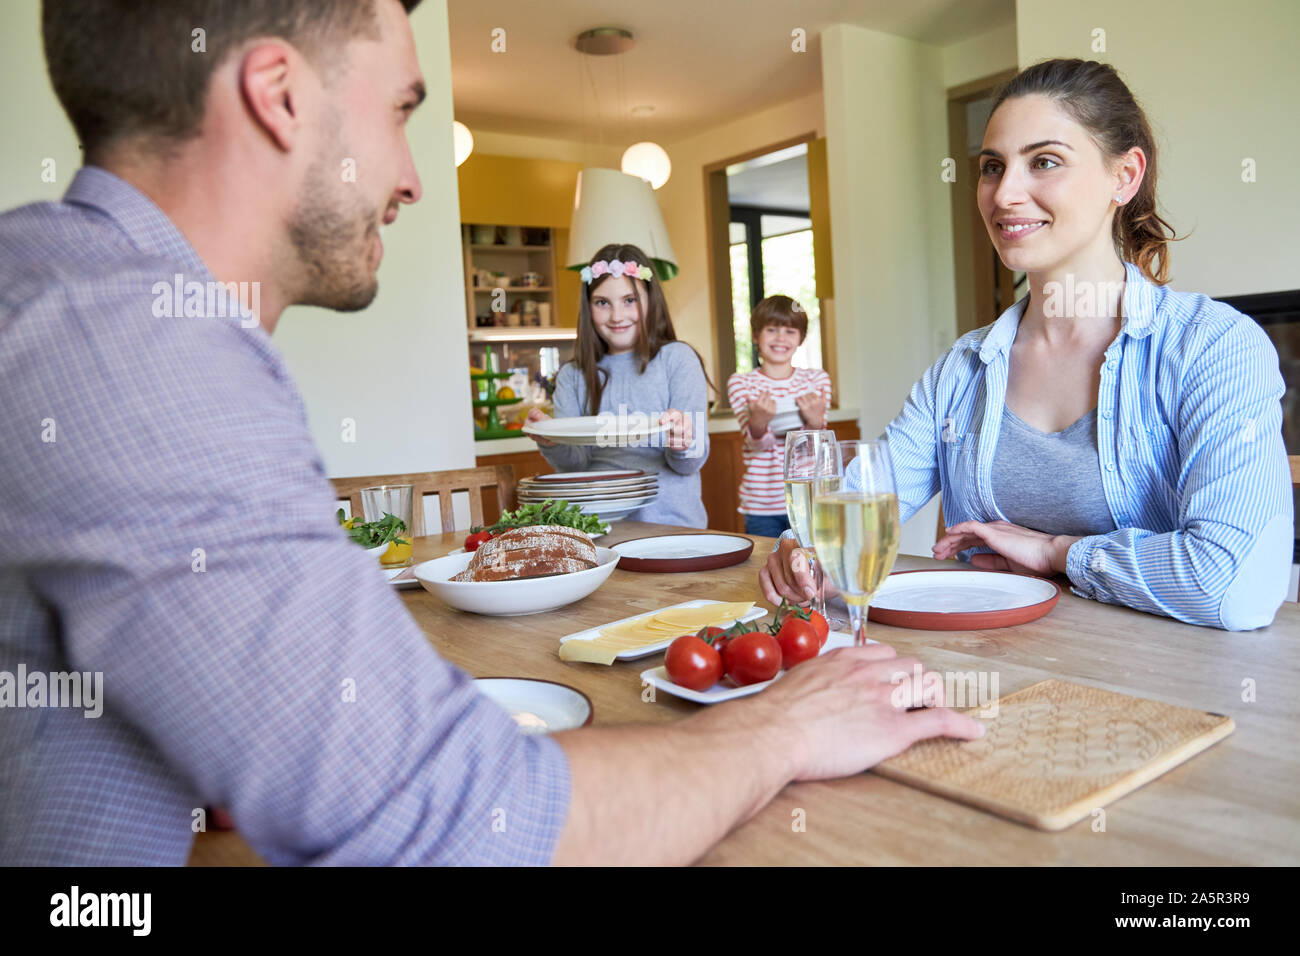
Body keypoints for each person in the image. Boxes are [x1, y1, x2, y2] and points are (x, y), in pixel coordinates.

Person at [0, 0, 984, 867]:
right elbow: (463, 826)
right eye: (400, 113)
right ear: (280, 96)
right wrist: (780, 725)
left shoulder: (70, 298)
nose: (415, 178)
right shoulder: (138, 349)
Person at [763, 58, 1292, 632]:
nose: (1004, 194)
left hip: (1168, 693)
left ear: (1125, 176)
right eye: (992, 167)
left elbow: (1236, 585)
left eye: (1044, 162)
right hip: (988, 675)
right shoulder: (960, 371)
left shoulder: (1213, 346)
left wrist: (1056, 552)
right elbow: (857, 503)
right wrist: (800, 549)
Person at [524, 243, 712, 528]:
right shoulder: (572, 376)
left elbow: (688, 464)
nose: (616, 315)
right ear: (588, 307)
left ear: (650, 300)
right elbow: (574, 465)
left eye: (629, 300)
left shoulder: (678, 360)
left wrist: (684, 441)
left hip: (672, 528)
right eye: (602, 302)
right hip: (597, 528)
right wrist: (553, 442)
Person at [726, 295, 833, 537]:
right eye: (771, 329)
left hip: (809, 497)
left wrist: (815, 423)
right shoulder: (741, 382)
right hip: (761, 504)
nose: (780, 338)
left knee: (810, 568)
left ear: (801, 338)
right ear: (755, 335)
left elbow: (817, 447)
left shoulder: (816, 380)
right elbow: (756, 445)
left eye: (790, 331)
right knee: (768, 568)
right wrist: (759, 422)